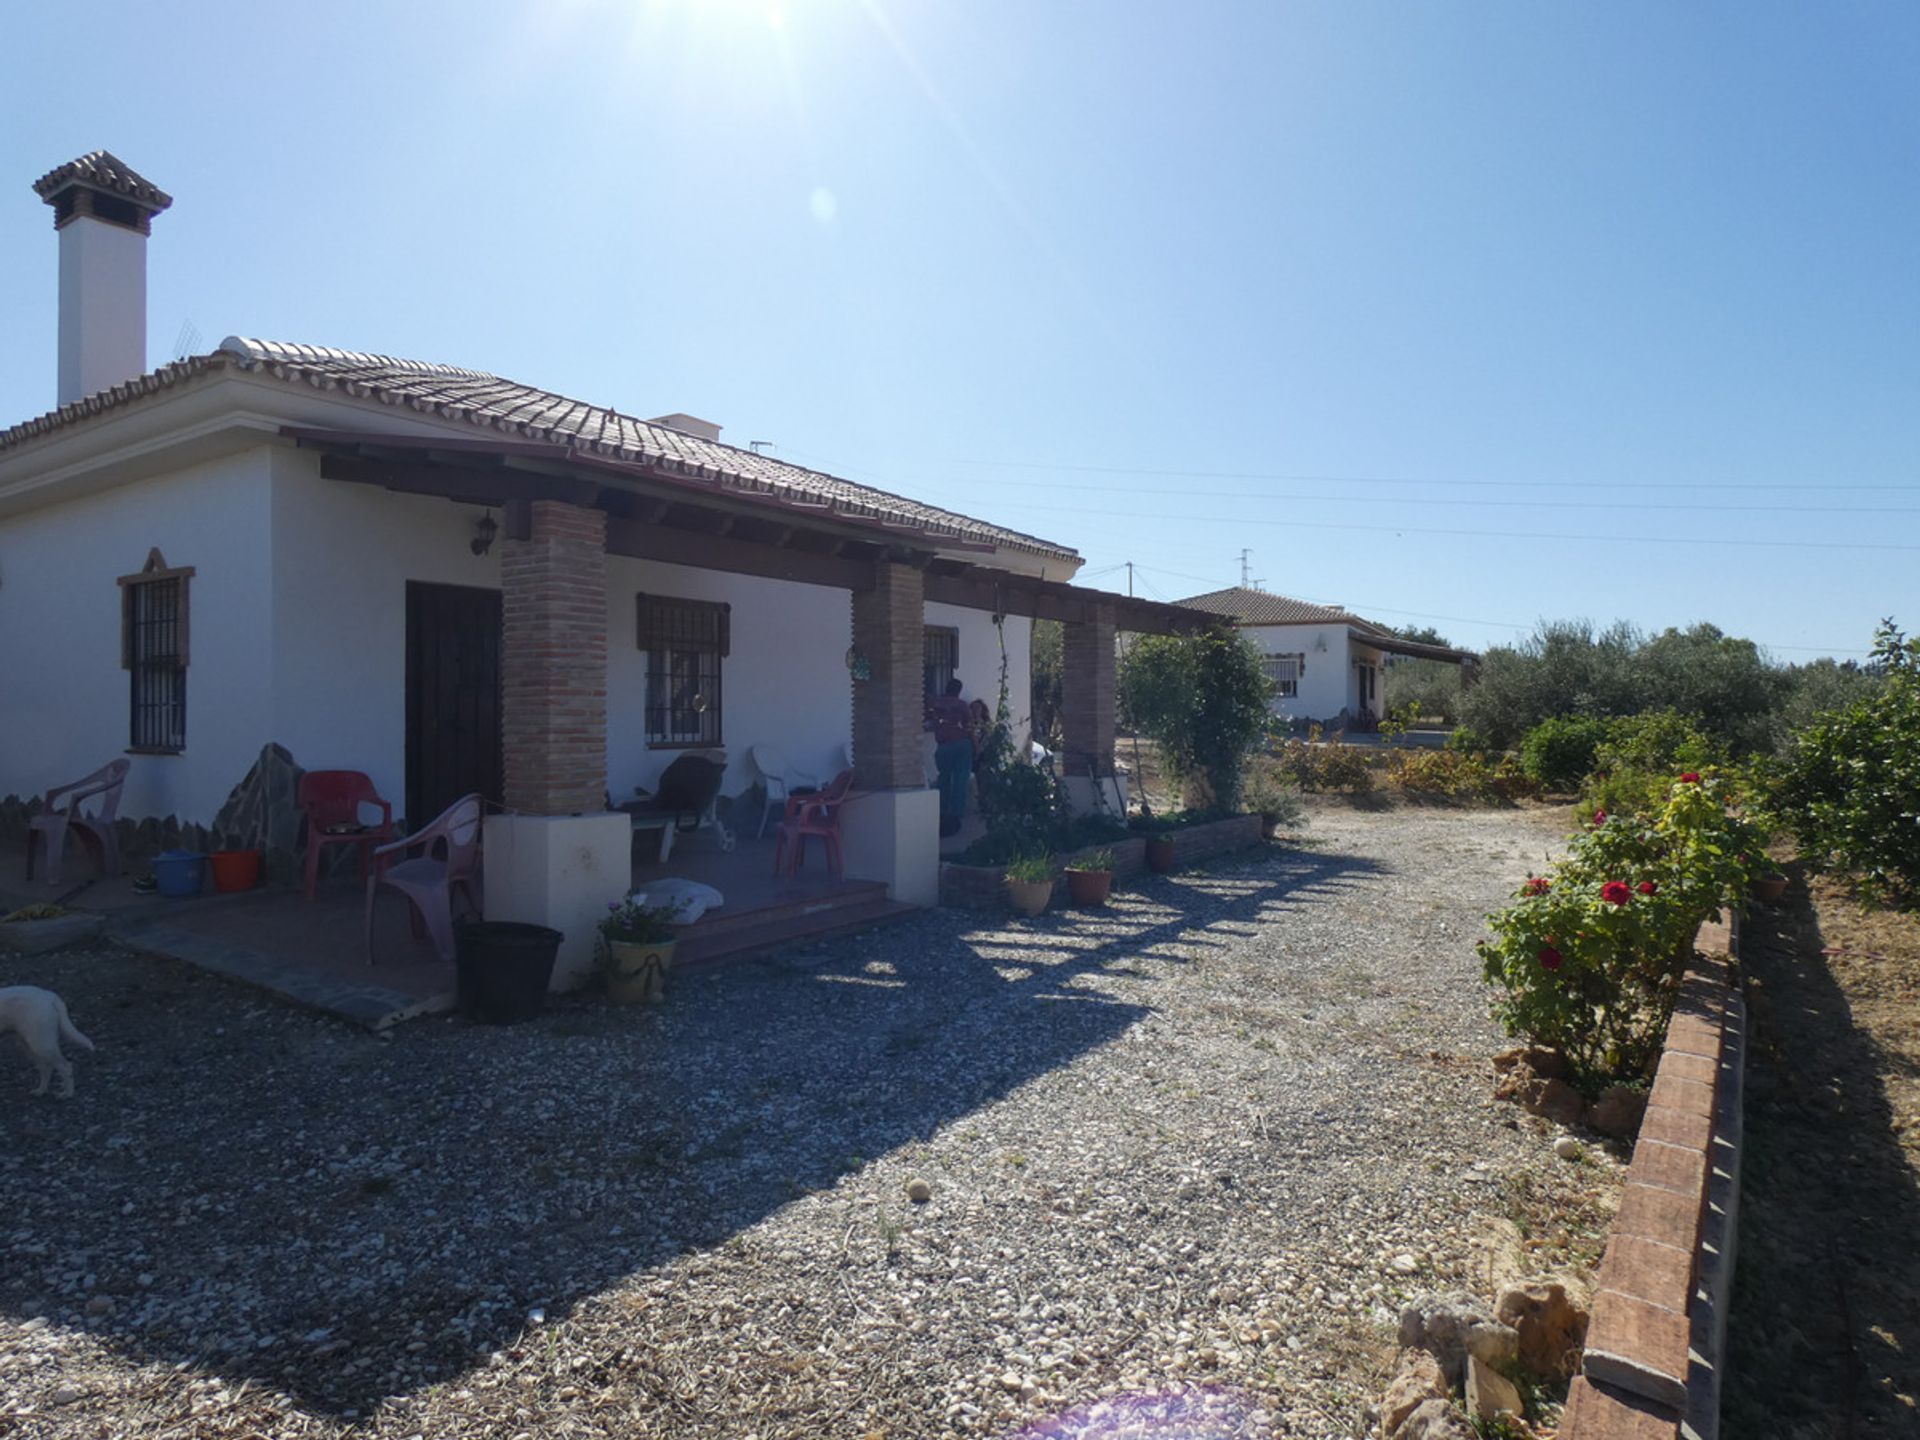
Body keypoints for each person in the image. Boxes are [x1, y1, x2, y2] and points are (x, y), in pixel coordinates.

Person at [925, 677, 975, 837]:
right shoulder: (961, 705)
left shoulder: (936, 704)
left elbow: (929, 719)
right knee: (961, 778)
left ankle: (941, 809)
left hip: (944, 745)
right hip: (962, 743)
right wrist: (976, 745)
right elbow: (970, 726)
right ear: (958, 691)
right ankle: (956, 812)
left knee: (943, 777)